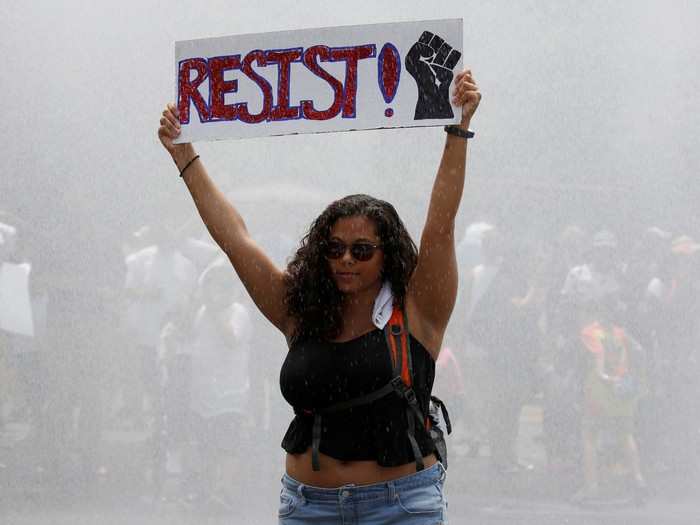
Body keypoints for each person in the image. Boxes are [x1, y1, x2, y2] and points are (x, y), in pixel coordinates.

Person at [157, 68, 480, 523]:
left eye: (362, 250)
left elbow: (440, 223)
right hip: (307, 508)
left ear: (386, 255)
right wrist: (184, 156)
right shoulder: (301, 312)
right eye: (334, 248)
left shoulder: (417, 311)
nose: (346, 259)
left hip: (400, 507)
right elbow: (235, 239)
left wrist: (459, 128)